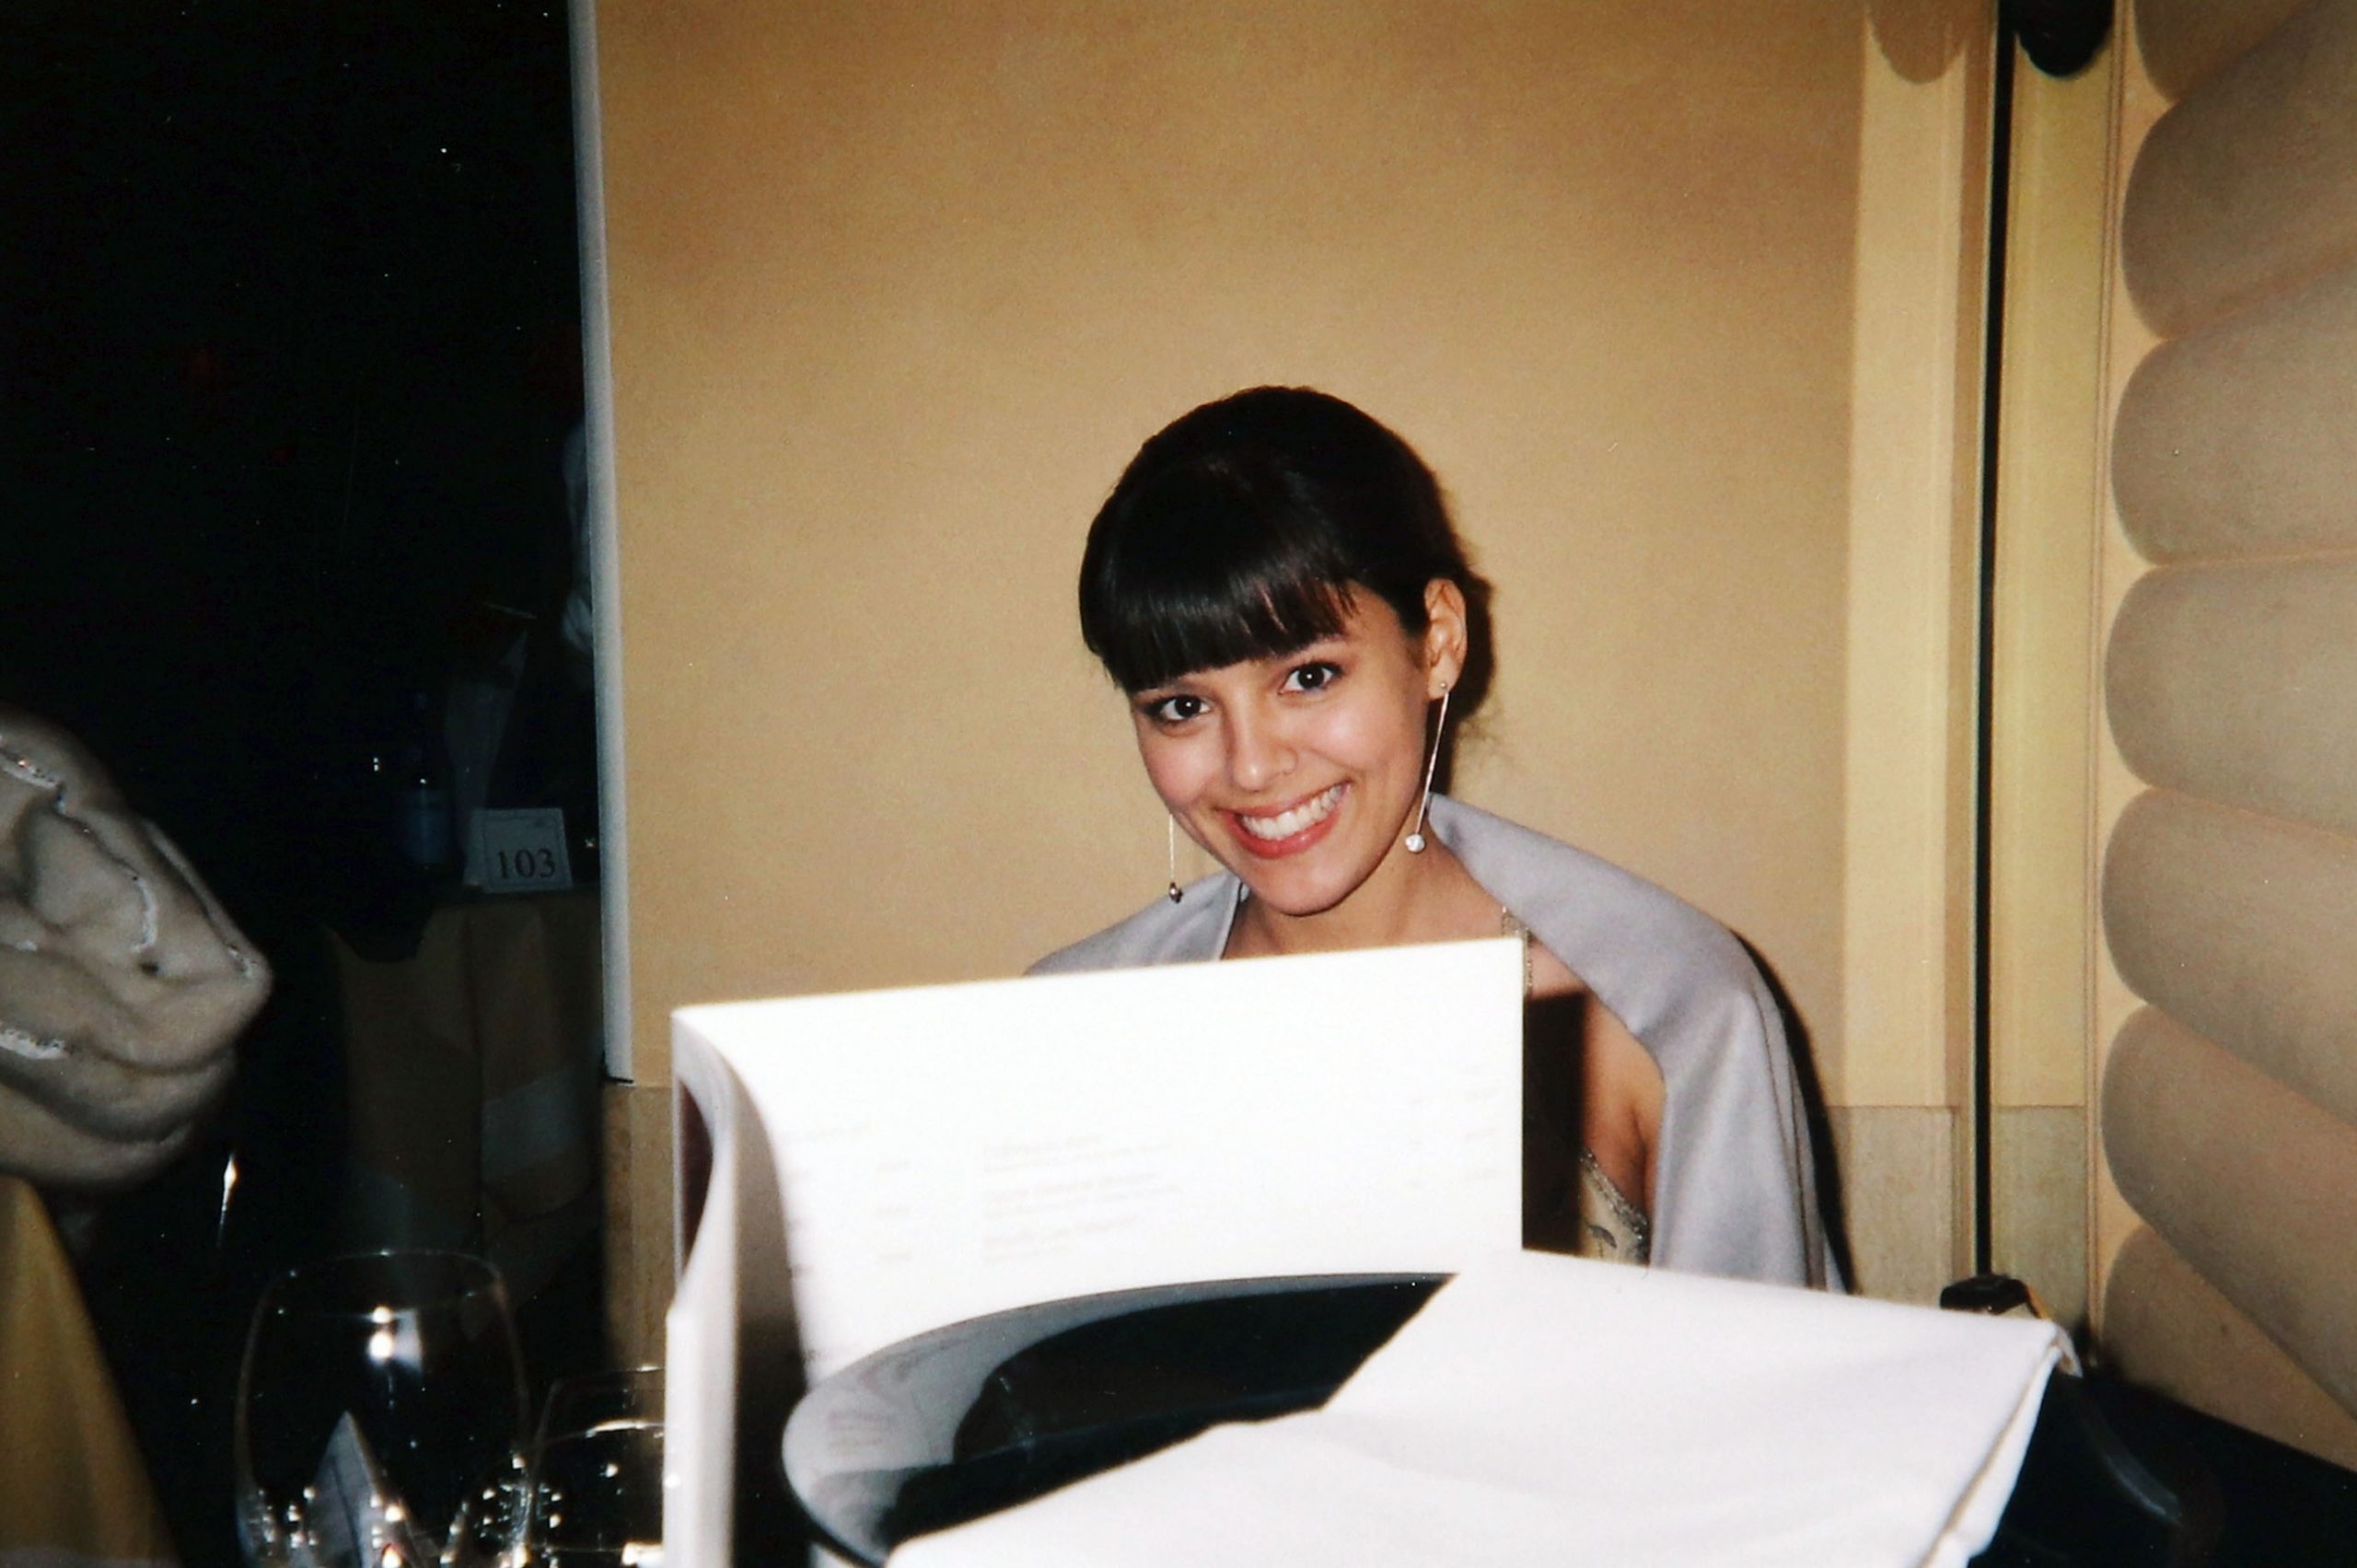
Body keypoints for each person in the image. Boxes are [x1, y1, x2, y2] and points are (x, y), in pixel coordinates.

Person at [1032, 387, 1836, 1287]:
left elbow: (1770, 1367)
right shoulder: (1066, 1034)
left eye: (1309, 676)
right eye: (1182, 706)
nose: (1251, 765)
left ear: (1440, 641)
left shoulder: (1665, 1004)